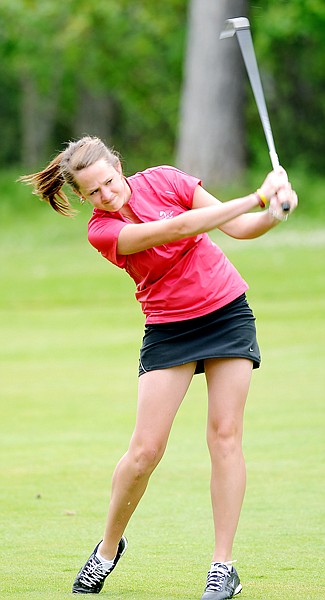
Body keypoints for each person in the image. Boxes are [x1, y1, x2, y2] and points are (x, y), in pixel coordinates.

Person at [20, 136, 298, 599]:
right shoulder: (102, 232)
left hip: (227, 311)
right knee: (145, 451)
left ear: (118, 166)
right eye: (93, 193)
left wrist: (273, 212)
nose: (106, 195)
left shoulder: (166, 180)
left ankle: (222, 565)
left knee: (225, 435)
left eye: (109, 182)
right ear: (82, 197)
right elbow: (175, 231)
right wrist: (257, 195)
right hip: (170, 328)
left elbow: (241, 229)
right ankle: (107, 549)